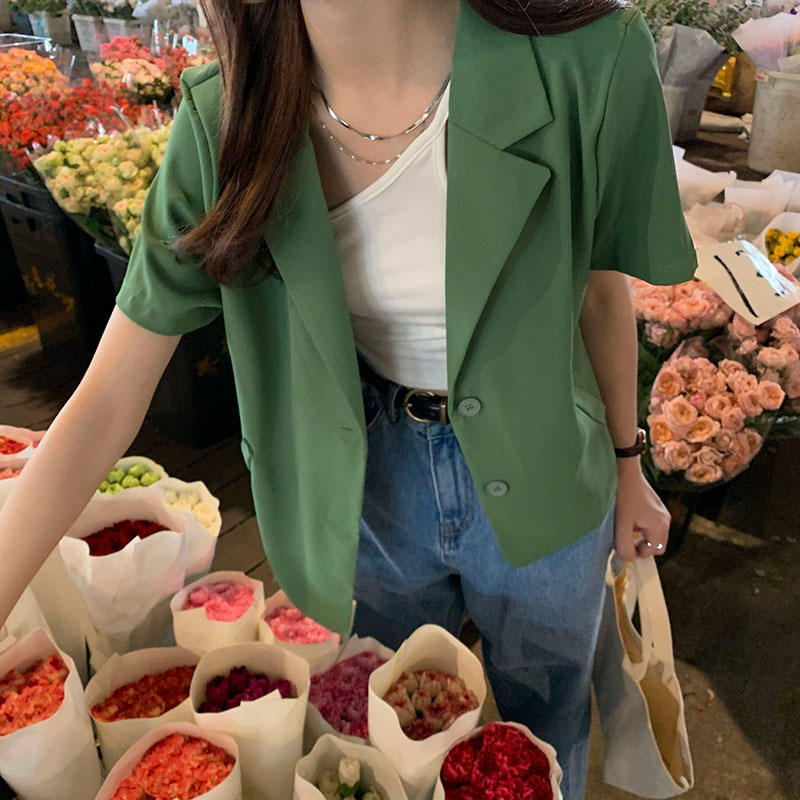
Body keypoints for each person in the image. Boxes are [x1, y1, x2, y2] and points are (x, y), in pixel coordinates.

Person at [0, 0, 697, 796]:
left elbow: (601, 288)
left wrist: (629, 465)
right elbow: (104, 400)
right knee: (384, 729)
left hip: (543, 460)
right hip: (367, 483)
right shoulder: (229, 118)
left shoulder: (587, 61)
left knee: (545, 724)